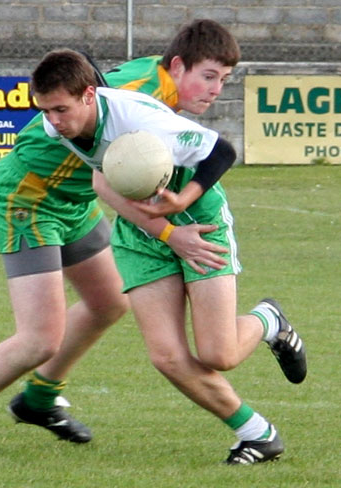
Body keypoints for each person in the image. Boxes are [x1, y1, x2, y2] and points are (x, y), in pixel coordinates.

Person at [0, 20, 263, 459]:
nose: (215, 90)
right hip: (28, 198)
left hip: (74, 200)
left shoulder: (148, 84)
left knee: (109, 302)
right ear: (177, 67)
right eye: (209, 76)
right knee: (39, 338)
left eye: (222, 79)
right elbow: (99, 164)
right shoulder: (139, 98)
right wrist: (167, 232)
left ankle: (39, 399)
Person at [30, 48, 307, 465]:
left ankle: (269, 320)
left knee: (219, 355)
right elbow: (103, 183)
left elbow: (222, 152)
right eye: (45, 110)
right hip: (142, 231)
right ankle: (257, 435)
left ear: (88, 95)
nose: (52, 121)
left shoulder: (140, 121)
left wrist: (181, 202)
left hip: (200, 220)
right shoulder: (60, 128)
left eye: (59, 110)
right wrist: (164, 231)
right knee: (166, 356)